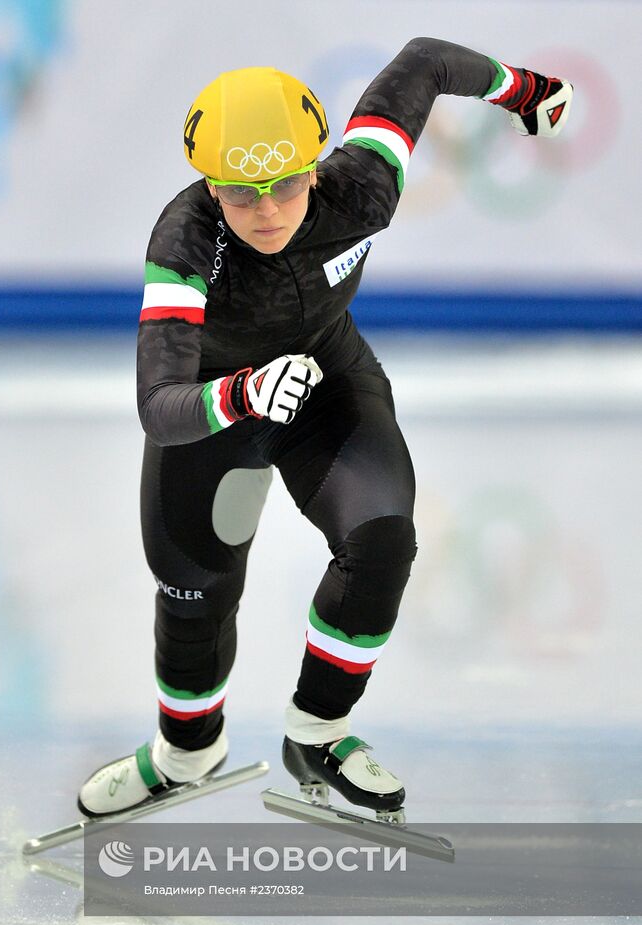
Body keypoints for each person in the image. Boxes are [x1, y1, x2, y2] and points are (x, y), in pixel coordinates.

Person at [78, 38, 572, 819]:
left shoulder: (362, 188)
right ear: (208, 185)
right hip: (216, 411)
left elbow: (426, 63)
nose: (267, 211)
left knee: (383, 540)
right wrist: (244, 393)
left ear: (315, 166)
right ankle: (186, 752)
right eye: (240, 193)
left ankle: (318, 732)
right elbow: (159, 404)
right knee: (195, 596)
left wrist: (523, 89)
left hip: (326, 385)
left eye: (284, 184)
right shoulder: (184, 241)